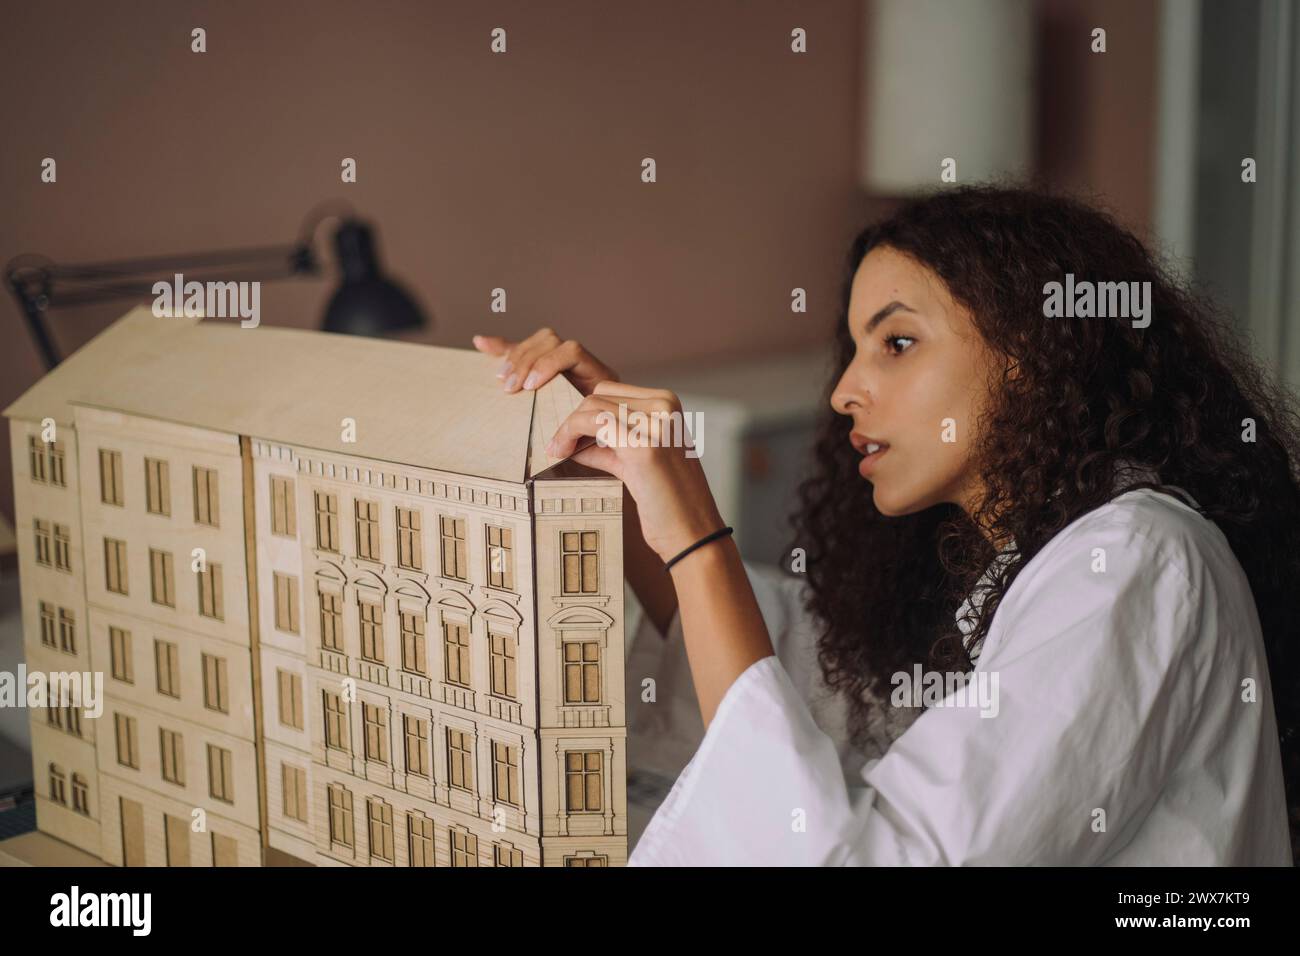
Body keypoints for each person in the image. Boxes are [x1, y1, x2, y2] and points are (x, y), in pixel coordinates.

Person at [473, 184, 1298, 865]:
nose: (845, 394)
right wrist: (625, 483)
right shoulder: (999, 562)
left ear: (1039, 354)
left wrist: (696, 533)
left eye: (898, 342)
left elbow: (877, 857)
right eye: (857, 351)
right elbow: (807, 671)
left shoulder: (1136, 562)